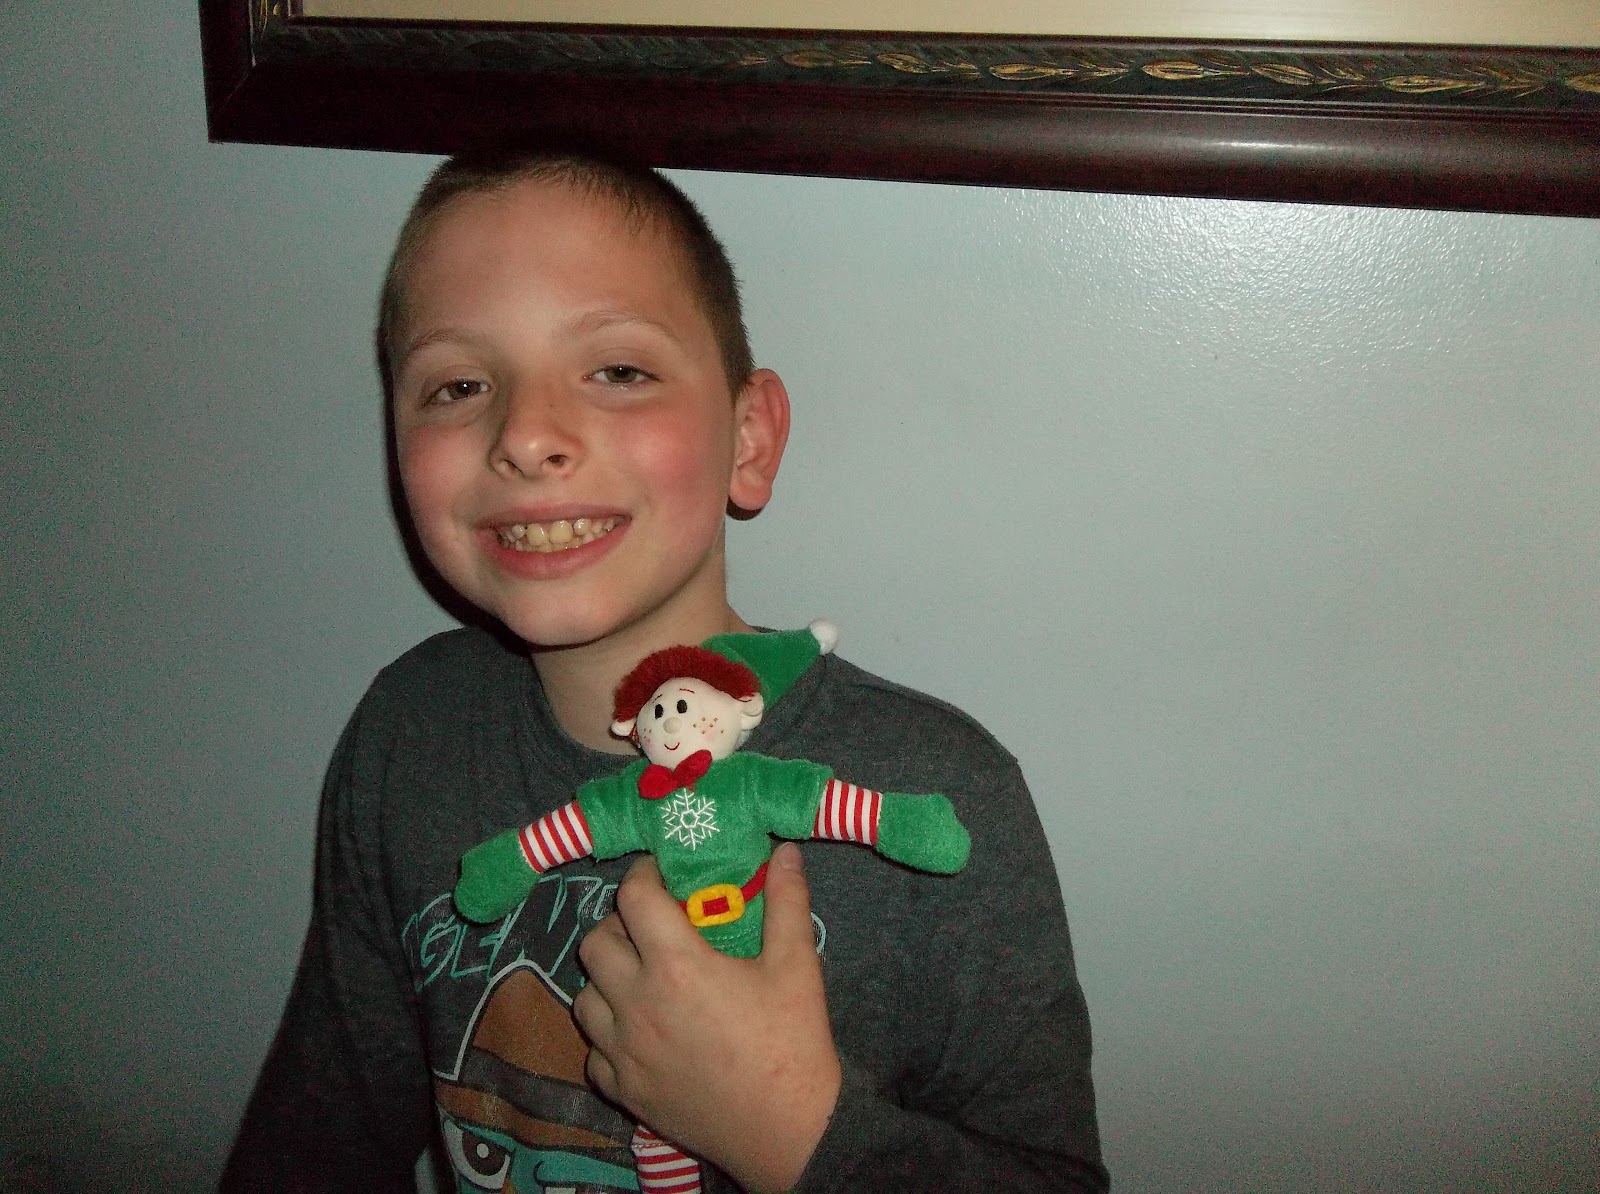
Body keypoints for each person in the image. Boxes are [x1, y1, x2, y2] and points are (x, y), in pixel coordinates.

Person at [221, 149, 1108, 1194]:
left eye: (618, 371)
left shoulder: (942, 790)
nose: (527, 436)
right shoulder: (405, 734)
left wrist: (794, 1132)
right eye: (458, 385)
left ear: (748, 440)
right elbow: (313, 1145)